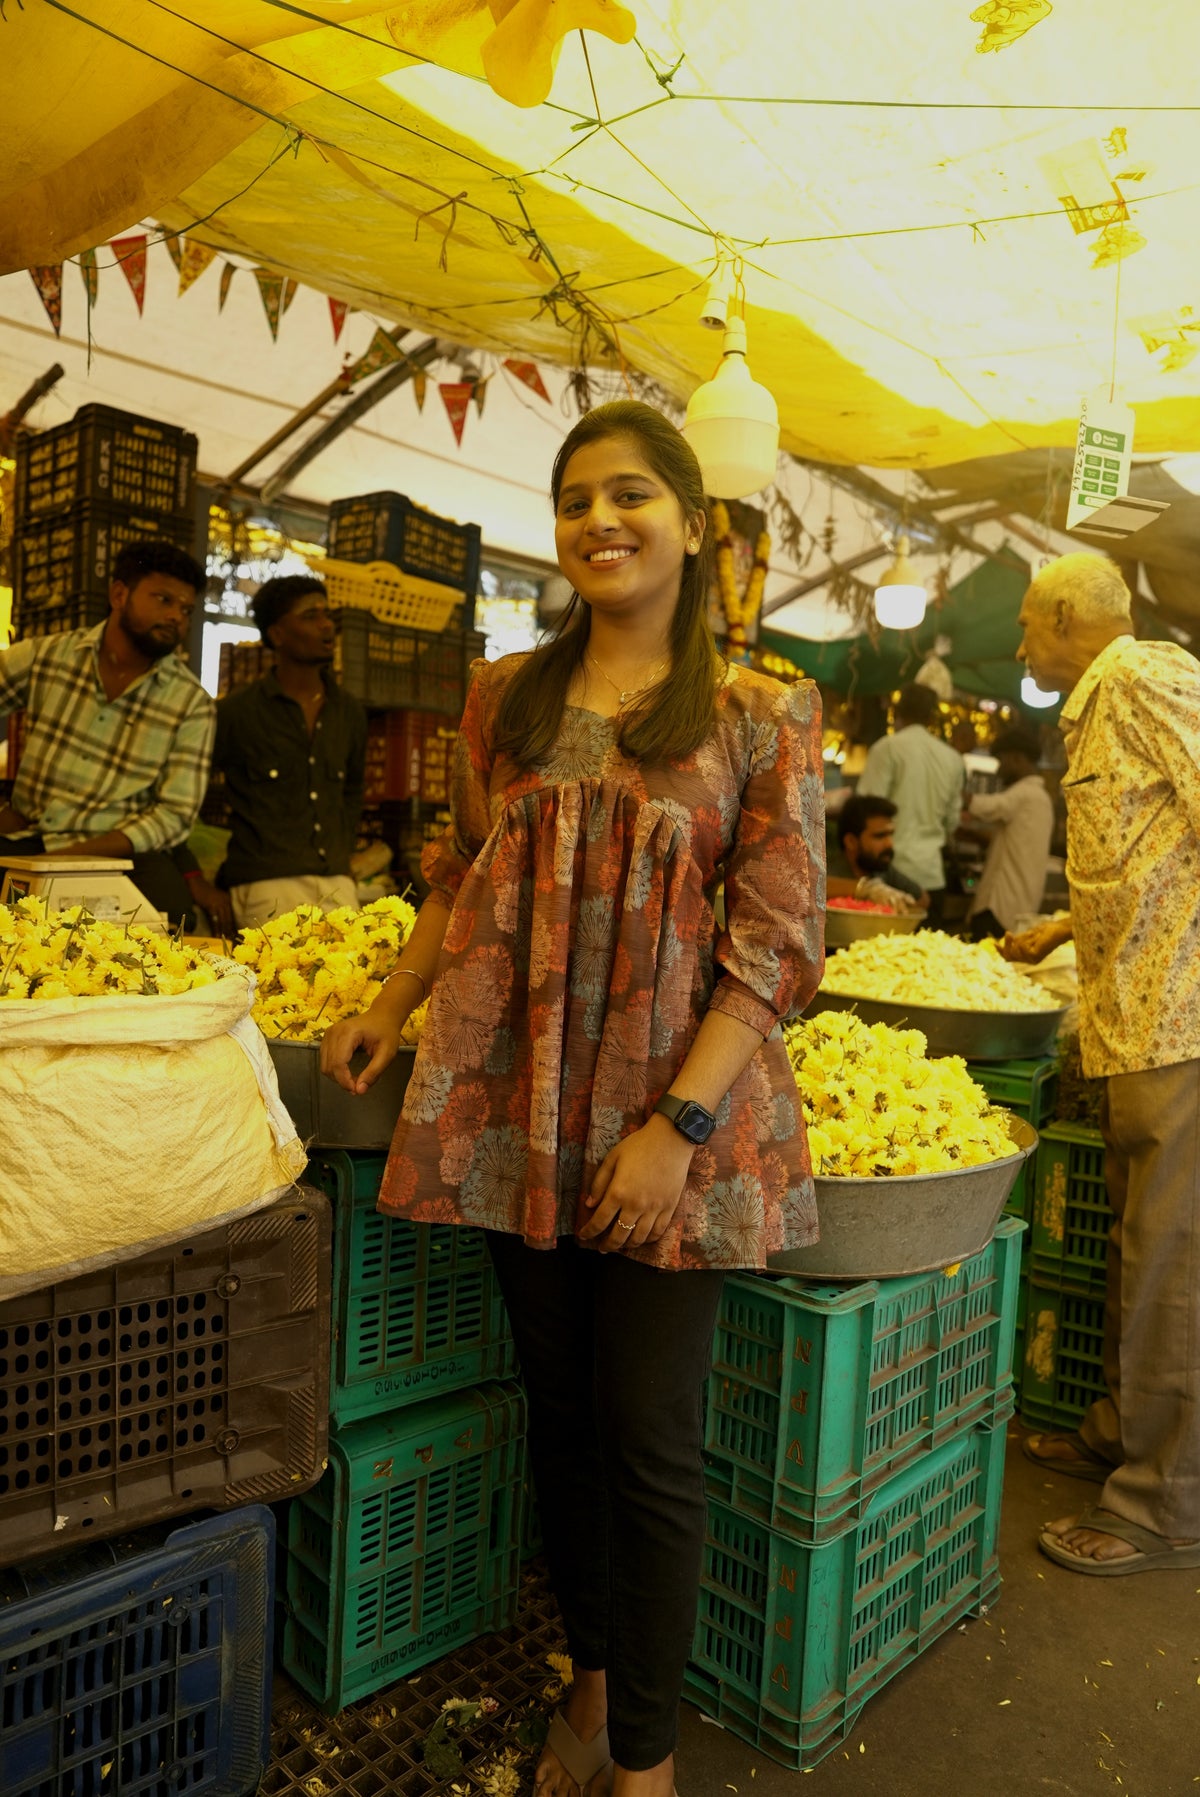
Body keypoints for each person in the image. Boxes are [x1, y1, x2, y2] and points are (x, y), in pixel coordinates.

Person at [321, 401, 826, 1797]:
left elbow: (778, 940)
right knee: (562, 1411)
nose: (600, 521)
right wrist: (387, 1003)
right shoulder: (507, 699)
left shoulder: (758, 713)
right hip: (518, 1109)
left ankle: (649, 1763)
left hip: (676, 1120)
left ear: (694, 525)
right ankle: (594, 1679)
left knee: (653, 1441)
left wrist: (681, 1128)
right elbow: (467, 880)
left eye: (631, 495)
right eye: (574, 500)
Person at [1005, 551, 1200, 1578]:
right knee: (1139, 1244)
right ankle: (1126, 1433)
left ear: (1072, 616)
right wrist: (1058, 929)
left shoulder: (1142, 673)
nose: (1022, 645)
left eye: (1030, 625)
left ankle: (1165, 1501)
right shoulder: (1098, 705)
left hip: (1179, 1021)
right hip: (1129, 1023)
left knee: (1172, 1262)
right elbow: (1147, 860)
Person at [0, 538, 217, 928]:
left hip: (124, 854)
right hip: (30, 838)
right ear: (119, 594)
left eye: (186, 609)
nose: (176, 618)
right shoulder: (47, 657)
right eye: (163, 600)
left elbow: (175, 814)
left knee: (172, 926)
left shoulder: (191, 703)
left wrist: (71, 857)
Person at [212, 574, 367, 929]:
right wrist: (197, 881)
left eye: (327, 614)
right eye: (310, 616)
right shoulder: (238, 713)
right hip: (265, 883)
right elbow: (186, 792)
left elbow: (352, 792)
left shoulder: (348, 711)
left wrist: (343, 855)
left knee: (354, 979)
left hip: (337, 881)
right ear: (277, 634)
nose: (327, 625)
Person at [856, 682, 964, 924]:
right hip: (932, 876)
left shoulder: (887, 748)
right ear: (931, 717)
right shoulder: (953, 759)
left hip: (889, 878)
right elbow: (952, 822)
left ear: (897, 712)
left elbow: (865, 811)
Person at [960, 726, 1054, 938]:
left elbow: (990, 806)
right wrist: (970, 835)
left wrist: (957, 795)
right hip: (1019, 906)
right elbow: (1010, 841)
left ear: (1016, 758)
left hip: (1000, 907)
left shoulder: (1026, 794)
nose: (999, 769)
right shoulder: (1040, 798)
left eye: (1001, 761)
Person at [826, 793, 927, 912]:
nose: (889, 844)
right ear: (851, 842)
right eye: (880, 836)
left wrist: (898, 906)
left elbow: (923, 899)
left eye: (890, 834)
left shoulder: (881, 869)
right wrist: (866, 889)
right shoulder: (829, 872)